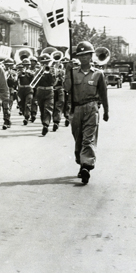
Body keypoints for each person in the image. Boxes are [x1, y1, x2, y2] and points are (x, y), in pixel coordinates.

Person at [64, 41, 109, 185]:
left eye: (87, 55)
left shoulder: (98, 74)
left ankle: (86, 166)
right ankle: (81, 161)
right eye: (81, 55)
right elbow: (67, 88)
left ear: (91, 56)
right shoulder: (73, 72)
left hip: (91, 108)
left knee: (88, 139)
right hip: (76, 109)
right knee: (78, 139)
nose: (84, 58)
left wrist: (106, 111)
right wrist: (67, 72)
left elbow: (103, 94)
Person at [33, 53, 55, 136]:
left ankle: (46, 125)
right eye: (43, 62)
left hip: (49, 91)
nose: (45, 64)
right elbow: (35, 82)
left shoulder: (53, 70)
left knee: (48, 108)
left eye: (47, 62)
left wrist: (49, 73)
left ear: (49, 61)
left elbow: (53, 82)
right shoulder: (38, 71)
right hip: (40, 91)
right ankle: (44, 123)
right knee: (42, 109)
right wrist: (41, 72)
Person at [17, 59, 34, 125]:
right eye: (24, 65)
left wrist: (27, 73)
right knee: (21, 103)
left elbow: (33, 78)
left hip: (28, 89)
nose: (25, 66)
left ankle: (26, 117)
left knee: (28, 103)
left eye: (27, 65)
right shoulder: (19, 72)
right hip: (21, 89)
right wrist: (19, 73)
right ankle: (25, 114)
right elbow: (16, 79)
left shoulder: (31, 72)